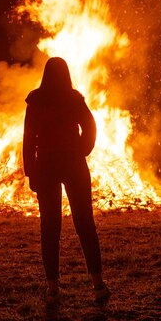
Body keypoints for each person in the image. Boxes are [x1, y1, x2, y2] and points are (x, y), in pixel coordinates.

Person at [23, 57, 110, 304]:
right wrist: (83, 148)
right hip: (73, 164)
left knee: (49, 228)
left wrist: (31, 172)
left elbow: (28, 138)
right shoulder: (74, 98)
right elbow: (90, 125)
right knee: (85, 224)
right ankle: (98, 284)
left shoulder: (36, 100)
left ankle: (52, 287)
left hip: (47, 166)